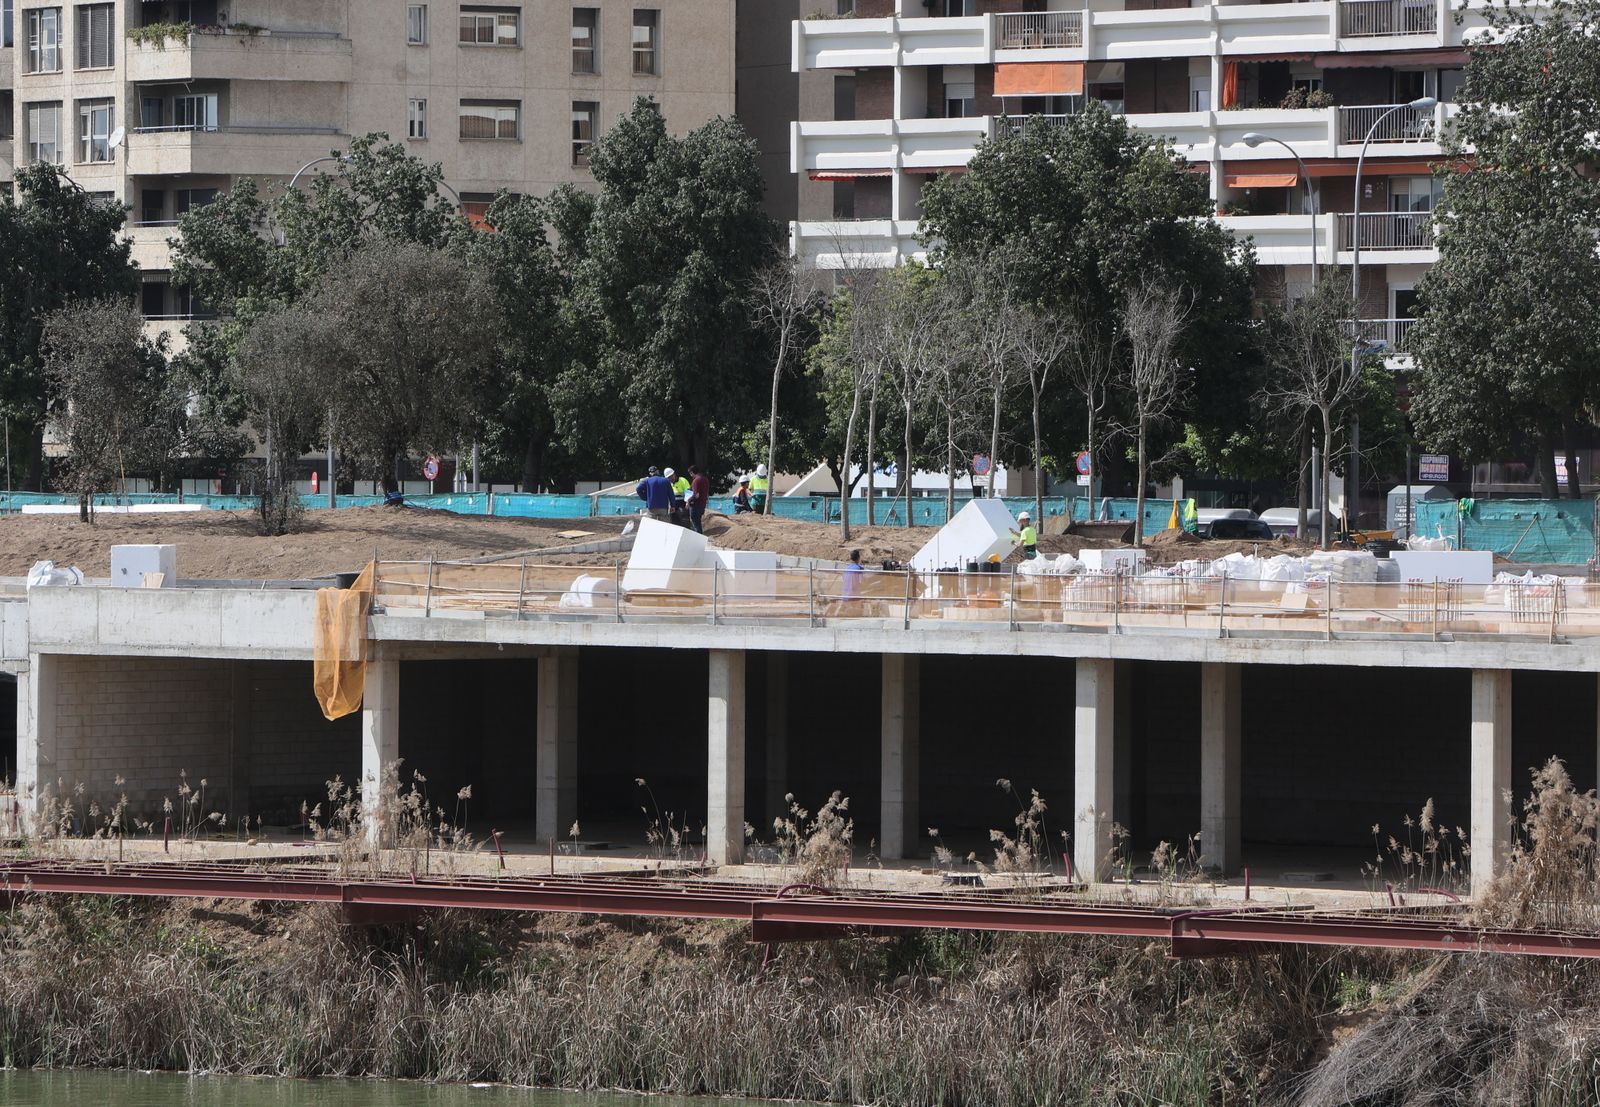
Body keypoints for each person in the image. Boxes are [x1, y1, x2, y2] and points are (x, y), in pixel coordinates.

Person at [688, 465, 711, 534]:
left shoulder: (696, 480)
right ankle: (699, 536)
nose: (691, 475)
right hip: (702, 504)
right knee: (698, 522)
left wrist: (688, 501)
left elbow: (696, 495)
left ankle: (698, 539)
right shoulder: (705, 479)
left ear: (692, 472)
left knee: (695, 524)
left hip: (696, 505)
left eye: (690, 474)